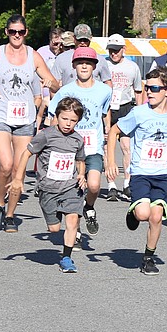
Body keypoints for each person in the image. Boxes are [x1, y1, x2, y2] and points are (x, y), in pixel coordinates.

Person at [0, 14, 59, 233]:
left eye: (20, 32)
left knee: (19, 170)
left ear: (26, 33)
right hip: (1, 115)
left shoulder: (34, 56)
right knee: (6, 165)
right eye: (12, 32)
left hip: (25, 119)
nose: (16, 36)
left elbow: (56, 85)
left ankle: (10, 214)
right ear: (7, 33)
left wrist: (51, 83)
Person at [107, 67, 167, 276]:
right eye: (146, 88)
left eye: (154, 88)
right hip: (141, 173)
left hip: (162, 175)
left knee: (156, 216)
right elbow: (115, 130)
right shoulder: (139, 112)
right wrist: (110, 161)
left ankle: (148, 257)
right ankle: (134, 212)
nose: (149, 92)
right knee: (143, 213)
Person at [10, 97, 88, 272]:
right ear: (57, 116)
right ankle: (58, 213)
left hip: (71, 187)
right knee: (54, 229)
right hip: (48, 188)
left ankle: (67, 258)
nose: (68, 124)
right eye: (64, 119)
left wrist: (81, 174)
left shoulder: (78, 139)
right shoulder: (45, 135)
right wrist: (18, 179)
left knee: (72, 221)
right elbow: (26, 154)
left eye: (73, 121)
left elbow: (80, 160)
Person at [48, 46, 113, 235]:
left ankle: (89, 206)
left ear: (94, 67)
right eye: (80, 63)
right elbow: (54, 117)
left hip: (93, 147)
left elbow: (105, 112)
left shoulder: (104, 90)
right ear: (74, 66)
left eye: (88, 63)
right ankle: (74, 233)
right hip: (69, 147)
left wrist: (107, 131)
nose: (84, 67)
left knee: (93, 185)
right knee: (74, 190)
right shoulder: (65, 91)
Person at [105, 34, 143, 201]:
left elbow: (138, 90)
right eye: (111, 50)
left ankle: (127, 183)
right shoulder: (103, 64)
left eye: (117, 50)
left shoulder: (132, 67)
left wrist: (140, 112)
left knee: (127, 147)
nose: (114, 53)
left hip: (126, 107)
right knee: (107, 146)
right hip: (108, 109)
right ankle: (111, 184)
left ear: (123, 50)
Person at [50, 24, 112, 89]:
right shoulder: (61, 58)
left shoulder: (100, 59)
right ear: (74, 39)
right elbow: (54, 82)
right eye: (79, 39)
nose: (82, 42)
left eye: (85, 40)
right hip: (69, 97)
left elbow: (107, 82)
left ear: (90, 39)